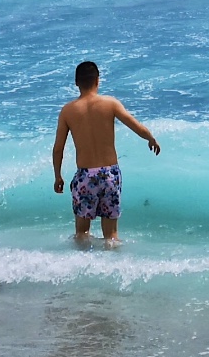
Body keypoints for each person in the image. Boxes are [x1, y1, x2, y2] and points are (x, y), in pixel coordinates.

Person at [53, 60, 159, 244]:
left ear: (76, 82)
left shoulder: (68, 111)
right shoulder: (110, 103)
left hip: (85, 176)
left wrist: (58, 176)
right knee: (111, 236)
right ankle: (112, 268)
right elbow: (136, 126)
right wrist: (150, 138)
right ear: (97, 81)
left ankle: (83, 269)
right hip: (110, 174)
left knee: (81, 234)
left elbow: (58, 149)